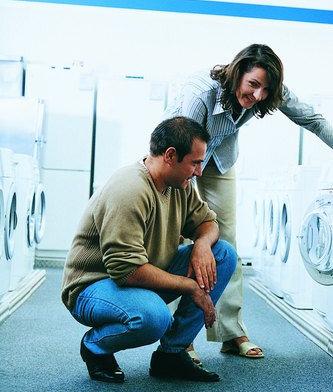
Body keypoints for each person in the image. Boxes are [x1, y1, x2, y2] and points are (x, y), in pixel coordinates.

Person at [164, 43, 333, 362]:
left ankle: (231, 330)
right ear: (238, 72)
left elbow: (313, 119)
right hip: (180, 157)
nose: (258, 96)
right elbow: (181, 141)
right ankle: (181, 338)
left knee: (227, 244)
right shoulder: (201, 93)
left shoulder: (267, 90)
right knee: (182, 241)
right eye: (253, 85)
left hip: (219, 159)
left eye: (266, 89)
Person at [61, 116, 238, 383]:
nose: (199, 172)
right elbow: (126, 270)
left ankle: (172, 355)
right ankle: (95, 347)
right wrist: (189, 287)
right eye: (195, 163)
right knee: (154, 317)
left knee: (222, 254)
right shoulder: (130, 189)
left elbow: (208, 222)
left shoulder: (179, 185)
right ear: (170, 155)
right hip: (94, 286)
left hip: (144, 272)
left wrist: (201, 244)